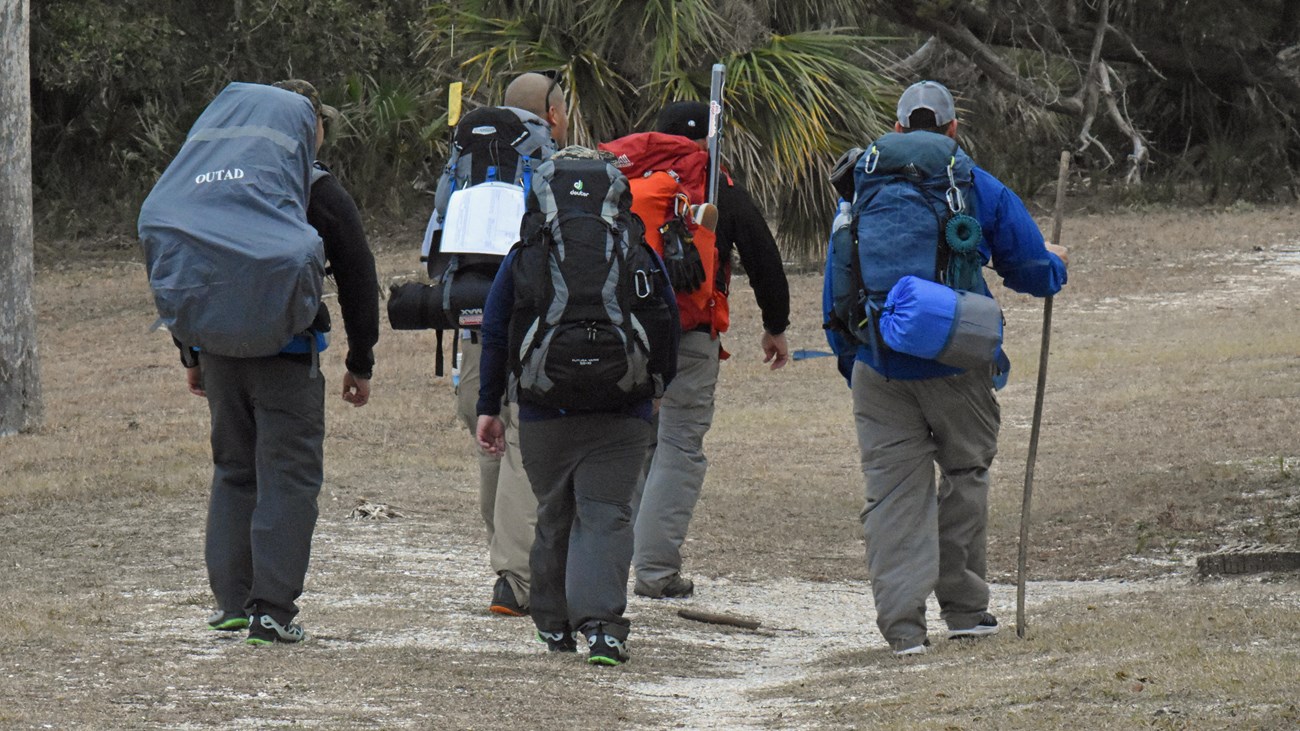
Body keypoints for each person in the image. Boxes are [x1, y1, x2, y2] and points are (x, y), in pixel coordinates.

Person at [825, 80, 1068, 656]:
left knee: (890, 495)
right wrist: (1056, 267)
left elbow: (839, 281)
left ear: (900, 127)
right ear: (954, 129)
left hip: (877, 361)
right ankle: (964, 611)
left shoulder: (859, 186)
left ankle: (904, 632)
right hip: (959, 360)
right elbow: (1034, 269)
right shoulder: (974, 182)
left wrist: (853, 360)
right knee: (965, 476)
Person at [475, 146, 680, 665]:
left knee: (555, 512)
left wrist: (490, 404)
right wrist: (656, 386)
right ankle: (604, 627)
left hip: (545, 409)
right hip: (623, 405)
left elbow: (496, 332)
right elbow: (665, 320)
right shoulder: (636, 246)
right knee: (606, 515)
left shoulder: (527, 253)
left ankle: (554, 622)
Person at [192, 80, 379, 644]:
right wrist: (361, 359)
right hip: (288, 355)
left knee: (233, 472)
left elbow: (189, 267)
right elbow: (358, 273)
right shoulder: (315, 188)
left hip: (220, 352)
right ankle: (271, 610)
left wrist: (190, 351)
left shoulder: (217, 182)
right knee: (288, 479)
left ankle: (231, 603)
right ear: (310, 125)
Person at [630, 101, 792, 599]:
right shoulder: (715, 186)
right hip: (689, 336)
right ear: (704, 142)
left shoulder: (623, 181)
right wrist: (775, 325)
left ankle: (610, 557)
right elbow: (763, 256)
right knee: (679, 445)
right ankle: (655, 571)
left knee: (635, 443)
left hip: (625, 333)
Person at [447, 72, 569, 617]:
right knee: (518, 442)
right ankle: (515, 580)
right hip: (531, 316)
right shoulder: (551, 159)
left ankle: (505, 559)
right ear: (552, 113)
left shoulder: (468, 156)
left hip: (474, 317)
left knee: (487, 436)